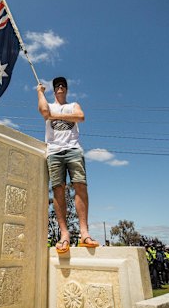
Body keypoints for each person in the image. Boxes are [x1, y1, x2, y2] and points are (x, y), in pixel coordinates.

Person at [37, 77, 98, 254]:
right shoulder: (48, 105)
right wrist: (40, 92)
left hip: (74, 150)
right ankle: (64, 235)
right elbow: (43, 111)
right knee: (58, 190)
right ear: (54, 90)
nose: (60, 87)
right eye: (57, 86)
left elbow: (81, 117)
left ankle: (84, 233)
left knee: (80, 186)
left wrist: (54, 116)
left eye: (63, 85)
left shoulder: (73, 105)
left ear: (67, 90)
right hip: (54, 152)